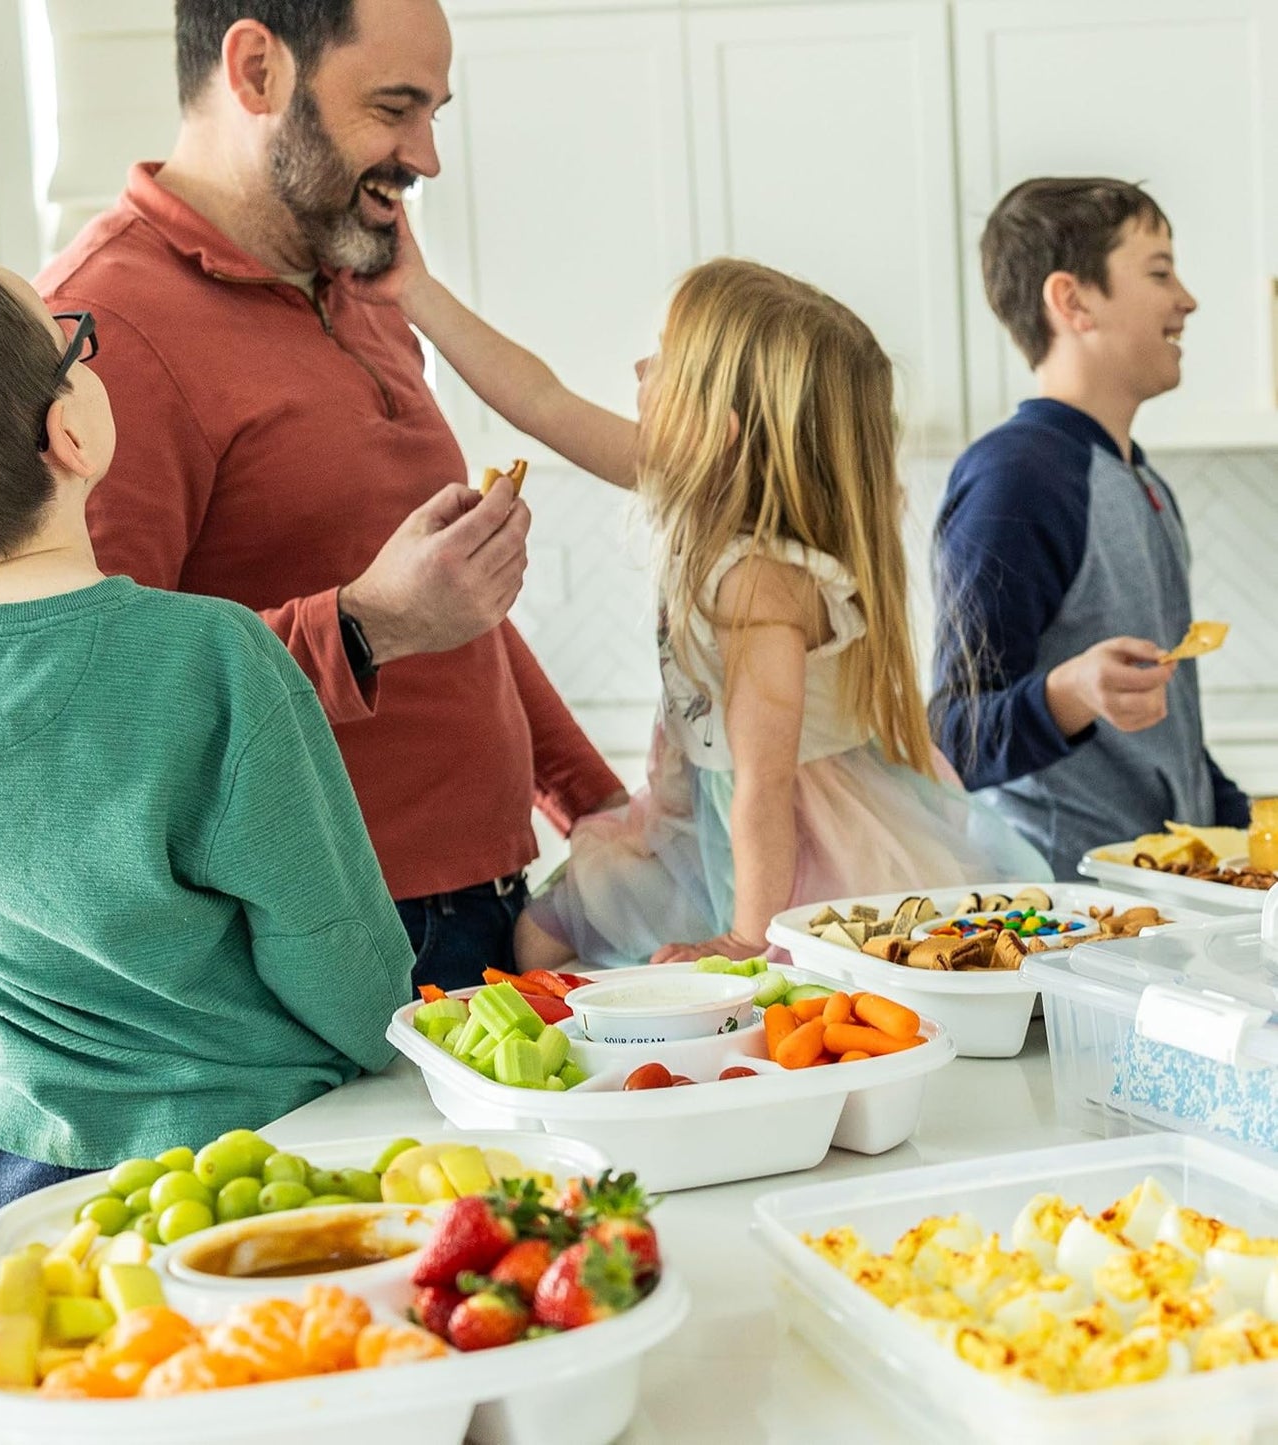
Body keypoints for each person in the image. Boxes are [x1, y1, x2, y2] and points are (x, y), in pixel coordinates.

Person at [37, 0, 624, 991]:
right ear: (257, 70)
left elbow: (451, 611)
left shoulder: (358, 279)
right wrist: (369, 624)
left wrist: (598, 808)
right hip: (320, 944)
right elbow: (97, 712)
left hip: (477, 910)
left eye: (434, 111)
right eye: (395, 108)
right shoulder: (105, 333)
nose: (427, 156)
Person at [0, 249, 417, 1220]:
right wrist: (398, 1050)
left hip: (27, 1159)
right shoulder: (212, 658)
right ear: (67, 431)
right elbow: (335, 953)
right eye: (72, 340)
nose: (85, 349)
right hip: (249, 1153)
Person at [349, 220, 1046, 968]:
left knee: (738, 987)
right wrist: (413, 290)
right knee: (542, 938)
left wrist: (750, 938)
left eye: (667, 361)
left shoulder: (758, 585)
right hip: (699, 823)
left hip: (783, 854)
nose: (641, 366)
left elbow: (763, 785)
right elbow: (542, 400)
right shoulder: (698, 493)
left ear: (719, 432)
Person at [929, 178, 1248, 879]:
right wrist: (1068, 692)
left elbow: (1164, 748)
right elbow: (954, 736)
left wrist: (1243, 825)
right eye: (1159, 272)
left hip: (1157, 906)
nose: (1185, 300)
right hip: (1063, 919)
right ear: (1071, 300)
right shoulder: (1016, 477)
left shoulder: (1137, 479)